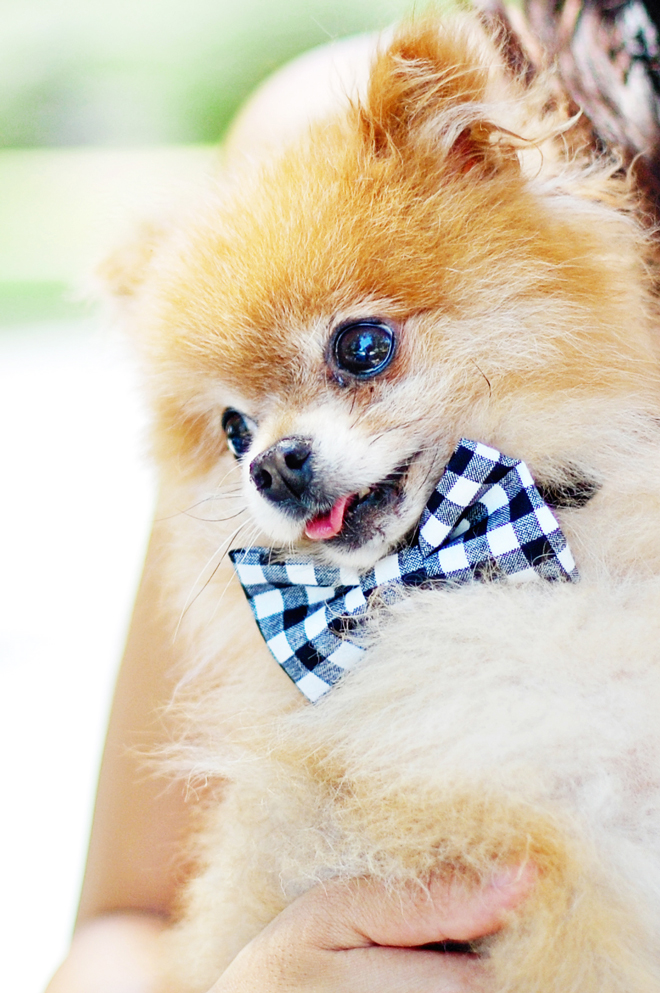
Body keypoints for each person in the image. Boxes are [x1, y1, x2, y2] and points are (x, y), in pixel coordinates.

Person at [45, 33, 535, 993]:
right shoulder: (318, 127)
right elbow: (121, 925)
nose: (273, 456)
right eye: (239, 429)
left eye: (360, 353)